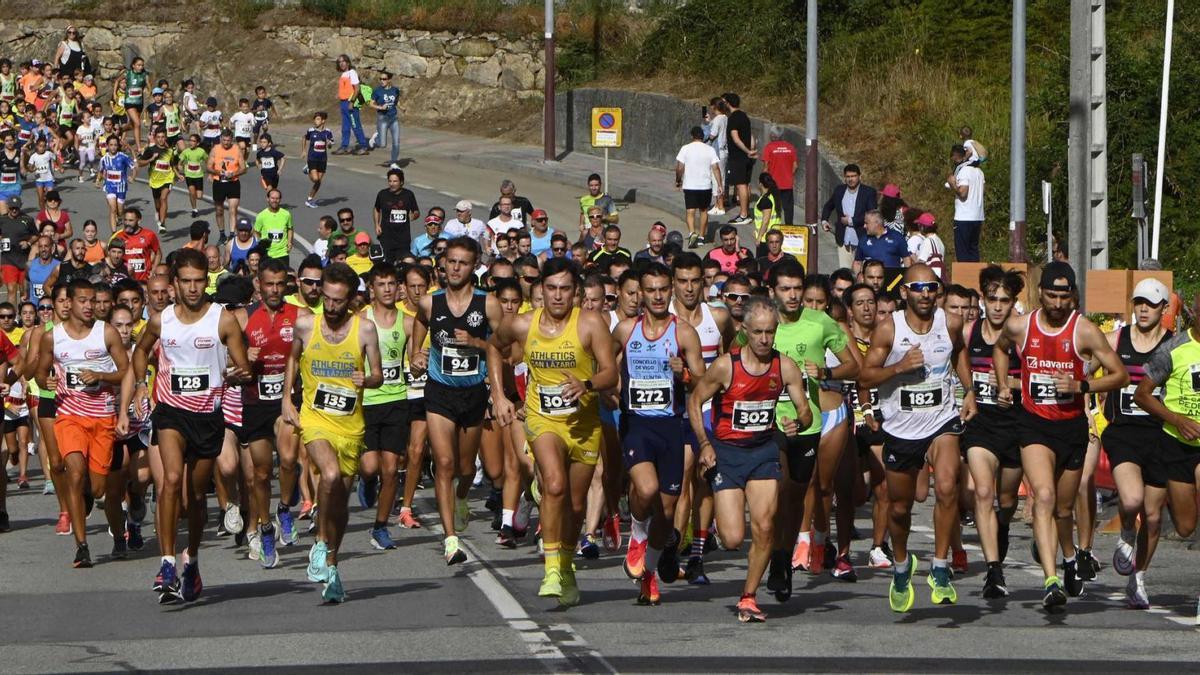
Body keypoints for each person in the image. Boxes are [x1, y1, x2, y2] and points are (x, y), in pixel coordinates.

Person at [992, 261, 1127, 610]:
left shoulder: (1084, 331)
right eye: (1051, 295)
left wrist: (1083, 385)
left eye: (1064, 297)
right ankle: (1050, 581)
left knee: (1064, 509)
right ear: (1040, 293)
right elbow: (999, 346)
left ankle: (1070, 558)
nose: (1057, 303)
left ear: (1073, 296)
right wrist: (1005, 384)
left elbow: (1120, 375)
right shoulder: (1022, 326)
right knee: (1044, 496)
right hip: (1033, 425)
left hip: (1070, 428)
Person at [487, 256, 616, 607]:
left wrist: (587, 384)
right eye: (551, 288)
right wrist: (498, 395)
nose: (558, 296)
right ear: (540, 289)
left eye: (565, 289)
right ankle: (551, 569)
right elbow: (493, 350)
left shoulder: (590, 323)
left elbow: (610, 373)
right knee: (554, 484)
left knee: (575, 507)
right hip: (543, 420)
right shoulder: (522, 324)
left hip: (583, 424)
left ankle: (567, 566)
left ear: (575, 292)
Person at [129, 248, 251, 602]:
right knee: (169, 480)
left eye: (199, 281)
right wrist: (140, 384)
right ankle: (167, 561)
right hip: (170, 412)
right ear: (175, 284)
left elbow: (243, 368)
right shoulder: (161, 320)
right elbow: (140, 352)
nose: (194, 288)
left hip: (208, 416)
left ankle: (192, 561)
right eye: (187, 282)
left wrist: (237, 373)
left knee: (196, 496)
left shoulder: (222, 319)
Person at [860, 264, 975, 612]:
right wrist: (898, 367)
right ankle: (900, 565)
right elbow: (864, 376)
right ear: (904, 292)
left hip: (942, 421)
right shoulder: (887, 329)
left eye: (931, 287)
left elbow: (958, 353)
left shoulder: (949, 323)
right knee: (899, 508)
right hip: (901, 427)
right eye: (918, 287)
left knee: (946, 486)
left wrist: (968, 390)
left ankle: (940, 569)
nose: (925, 293)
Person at [690, 295, 812, 622]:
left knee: (765, 525)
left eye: (769, 332)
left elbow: (806, 412)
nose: (763, 339)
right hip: (727, 455)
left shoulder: (784, 366)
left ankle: (748, 596)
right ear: (744, 330)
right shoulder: (725, 366)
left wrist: (797, 422)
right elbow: (695, 400)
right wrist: (704, 443)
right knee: (732, 538)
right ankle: (711, 511)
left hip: (763, 452)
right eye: (757, 332)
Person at [764, 259, 860, 600]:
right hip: (769, 422)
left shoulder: (820, 322)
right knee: (774, 496)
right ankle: (775, 559)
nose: (792, 296)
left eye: (797, 289)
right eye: (785, 289)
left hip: (808, 423)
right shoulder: (762, 324)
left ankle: (782, 558)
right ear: (771, 290)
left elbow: (854, 365)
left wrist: (826, 373)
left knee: (793, 498)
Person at [409, 236, 505, 565]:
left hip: (474, 392)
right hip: (439, 390)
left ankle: (462, 497)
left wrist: (477, 342)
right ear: (443, 263)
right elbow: (419, 324)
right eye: (451, 261)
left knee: (466, 468)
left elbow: (504, 347)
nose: (455, 267)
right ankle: (451, 539)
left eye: (463, 262)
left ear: (474, 266)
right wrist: (415, 354)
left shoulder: (488, 303)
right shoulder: (430, 302)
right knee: (445, 464)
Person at [35, 278, 128, 567]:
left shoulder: (106, 332)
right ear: (70, 303)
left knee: (98, 488)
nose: (89, 306)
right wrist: (46, 380)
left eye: (93, 301)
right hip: (69, 416)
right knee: (73, 471)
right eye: (83, 301)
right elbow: (39, 375)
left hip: (102, 417)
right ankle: (82, 546)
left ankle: (92, 498)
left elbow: (125, 371)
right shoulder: (53, 337)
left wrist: (101, 376)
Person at [1099, 279, 1172, 608]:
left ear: (1163, 309)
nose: (1143, 309)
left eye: (1151, 304)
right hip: (1124, 432)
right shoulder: (1117, 339)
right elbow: (1086, 368)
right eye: (1139, 302)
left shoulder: (1175, 346)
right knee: (1131, 500)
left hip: (1161, 436)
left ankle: (1138, 578)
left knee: (1154, 517)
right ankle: (1127, 530)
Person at [959, 265, 1026, 599]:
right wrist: (970, 388)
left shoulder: (1023, 335)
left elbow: (1037, 378)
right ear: (982, 299)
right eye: (992, 299)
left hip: (1016, 425)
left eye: (1005, 300)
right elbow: (958, 359)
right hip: (981, 426)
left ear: (1014, 302)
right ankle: (993, 572)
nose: (998, 306)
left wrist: (1009, 384)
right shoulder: (970, 332)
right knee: (982, 493)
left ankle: (1002, 527)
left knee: (1007, 500)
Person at [355, 263, 410, 550]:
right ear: (372, 289)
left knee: (390, 470)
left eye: (392, 284)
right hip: (366, 402)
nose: (388, 289)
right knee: (369, 466)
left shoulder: (408, 321)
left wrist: (421, 357)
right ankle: (366, 481)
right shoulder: (361, 320)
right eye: (381, 284)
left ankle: (380, 527)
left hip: (396, 400)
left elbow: (416, 356)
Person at [821, 164, 877, 270]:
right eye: (848, 177)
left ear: (859, 177)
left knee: (861, 273)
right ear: (845, 178)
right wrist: (824, 221)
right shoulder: (839, 190)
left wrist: (851, 221)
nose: (851, 179)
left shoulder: (868, 192)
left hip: (862, 238)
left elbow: (872, 214)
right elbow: (828, 205)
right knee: (845, 272)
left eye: (853, 176)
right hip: (843, 239)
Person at [675, 126, 721, 249]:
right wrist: (719, 184)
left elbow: (679, 167)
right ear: (703, 136)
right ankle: (701, 237)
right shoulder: (710, 149)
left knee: (690, 211)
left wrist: (678, 180)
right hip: (705, 186)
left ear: (692, 136)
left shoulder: (685, 148)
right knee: (703, 210)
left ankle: (691, 233)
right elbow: (716, 168)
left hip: (690, 185)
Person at [721, 93, 756, 226]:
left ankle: (743, 214)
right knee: (745, 184)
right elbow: (750, 135)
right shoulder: (744, 116)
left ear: (728, 103)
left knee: (741, 185)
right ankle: (745, 212)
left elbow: (735, 138)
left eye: (724, 102)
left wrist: (748, 151)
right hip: (746, 157)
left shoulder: (734, 118)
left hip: (738, 157)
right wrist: (751, 150)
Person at [947, 144, 985, 262]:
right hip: (977, 217)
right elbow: (982, 191)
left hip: (964, 217)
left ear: (955, 156)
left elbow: (963, 194)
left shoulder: (964, 171)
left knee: (963, 253)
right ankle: (974, 278)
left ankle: (964, 279)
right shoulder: (979, 172)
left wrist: (953, 184)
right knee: (973, 250)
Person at [373, 168, 419, 263]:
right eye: (390, 181)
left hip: (403, 238)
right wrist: (377, 225)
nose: (392, 184)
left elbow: (416, 211)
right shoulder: (382, 194)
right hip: (386, 237)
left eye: (395, 181)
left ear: (401, 182)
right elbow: (377, 209)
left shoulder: (408, 195)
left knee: (404, 263)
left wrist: (413, 216)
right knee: (388, 264)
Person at [137, 129, 177, 232]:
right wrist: (151, 159)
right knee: (158, 205)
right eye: (158, 137)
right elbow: (140, 163)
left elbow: (172, 165)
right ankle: (159, 214)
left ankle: (162, 224)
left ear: (165, 138)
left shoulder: (170, 151)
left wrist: (178, 174)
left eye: (163, 137)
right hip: (155, 181)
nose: (161, 139)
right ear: (155, 138)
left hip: (167, 179)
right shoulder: (151, 150)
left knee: (164, 198)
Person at [854, 210, 911, 277]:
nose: (864, 226)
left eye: (867, 223)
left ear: (877, 223)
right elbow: (857, 263)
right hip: (870, 282)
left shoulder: (896, 237)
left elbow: (906, 259)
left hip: (892, 281)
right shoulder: (863, 240)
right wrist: (858, 277)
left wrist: (906, 278)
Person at [333, 55, 369, 155]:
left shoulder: (352, 73)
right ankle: (344, 146)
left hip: (350, 103)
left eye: (344, 61)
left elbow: (357, 88)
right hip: (343, 103)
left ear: (348, 62)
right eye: (340, 62)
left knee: (355, 125)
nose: (342, 63)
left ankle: (363, 146)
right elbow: (346, 88)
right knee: (345, 127)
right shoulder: (343, 74)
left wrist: (352, 102)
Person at [761, 126, 797, 225]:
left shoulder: (769, 147)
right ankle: (789, 228)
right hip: (787, 184)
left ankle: (773, 226)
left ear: (772, 135)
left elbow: (766, 166)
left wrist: (763, 181)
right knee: (788, 208)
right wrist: (789, 175)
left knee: (773, 207)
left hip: (773, 184)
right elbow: (795, 166)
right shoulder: (790, 147)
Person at [369, 71, 401, 168]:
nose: (382, 81)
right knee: (382, 144)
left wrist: (402, 107)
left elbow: (396, 102)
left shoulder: (395, 90)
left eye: (384, 79)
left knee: (396, 141)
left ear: (389, 80)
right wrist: (380, 107)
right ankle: (375, 139)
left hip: (393, 118)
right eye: (380, 79)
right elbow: (371, 104)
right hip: (382, 118)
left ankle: (393, 162)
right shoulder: (377, 91)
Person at [303, 111, 334, 208]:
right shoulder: (311, 130)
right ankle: (308, 169)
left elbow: (330, 145)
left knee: (318, 181)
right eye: (315, 119)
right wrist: (304, 150)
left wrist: (329, 144)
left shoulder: (328, 132)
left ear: (323, 121)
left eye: (318, 119)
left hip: (323, 159)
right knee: (315, 178)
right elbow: (304, 138)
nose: (315, 121)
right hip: (312, 158)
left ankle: (309, 199)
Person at [253, 188, 292, 262]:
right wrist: (261, 243)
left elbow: (290, 228)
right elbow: (256, 231)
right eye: (272, 198)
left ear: (280, 200)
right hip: (267, 254)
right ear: (268, 199)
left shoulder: (286, 214)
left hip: (282, 253)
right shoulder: (261, 216)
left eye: (277, 198)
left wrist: (289, 242)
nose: (275, 200)